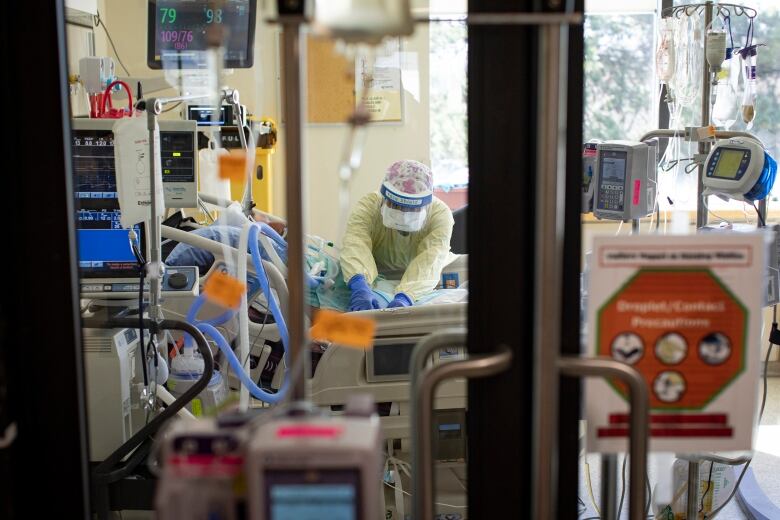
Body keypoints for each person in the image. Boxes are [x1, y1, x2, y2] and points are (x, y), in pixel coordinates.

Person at [340, 160, 455, 311]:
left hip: (423, 282)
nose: (403, 215)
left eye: (411, 209)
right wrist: (359, 284)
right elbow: (355, 242)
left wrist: (405, 297)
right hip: (373, 275)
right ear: (384, 197)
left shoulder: (440, 215)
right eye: (396, 206)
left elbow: (431, 259)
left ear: (426, 204)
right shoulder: (369, 205)